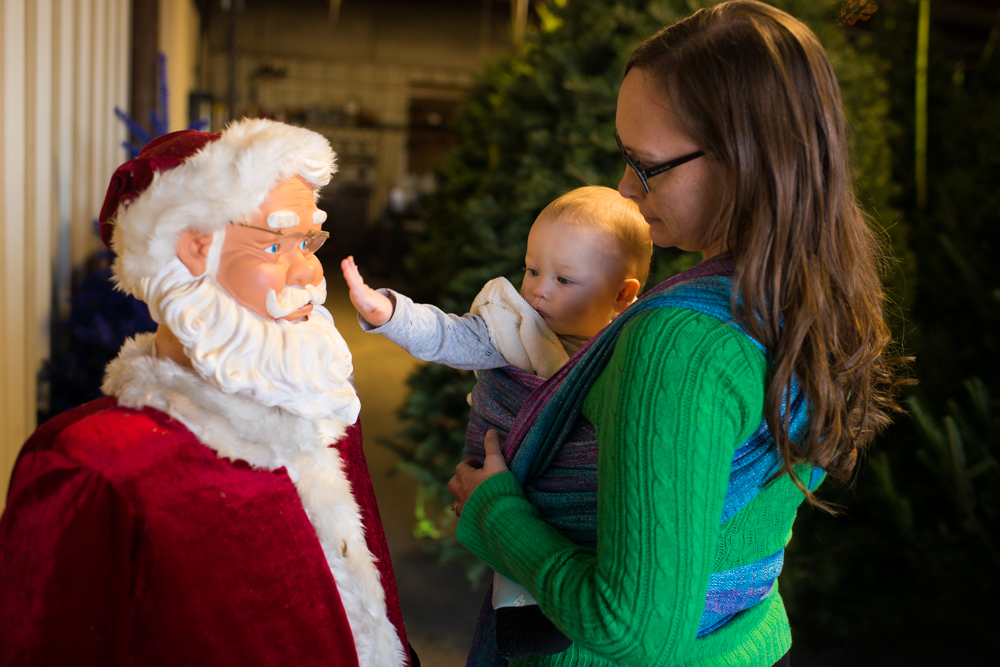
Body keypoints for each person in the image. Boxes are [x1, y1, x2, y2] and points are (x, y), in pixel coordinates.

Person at [447, 2, 908, 666]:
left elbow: (634, 631)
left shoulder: (681, 342)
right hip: (747, 641)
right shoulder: (804, 296)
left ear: (744, 156)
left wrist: (495, 514)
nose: (624, 188)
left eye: (647, 164)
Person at [0, 120, 416, 667]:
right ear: (191, 249)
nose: (309, 271)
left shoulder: (326, 412)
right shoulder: (93, 468)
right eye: (274, 242)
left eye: (309, 240)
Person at [341, 186, 652, 657]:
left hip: (585, 502)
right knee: (513, 555)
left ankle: (566, 604)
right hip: (508, 479)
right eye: (532, 269)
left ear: (622, 294)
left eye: (564, 280)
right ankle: (519, 612)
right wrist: (389, 314)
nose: (538, 288)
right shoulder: (515, 327)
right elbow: (450, 336)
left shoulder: (631, 349)